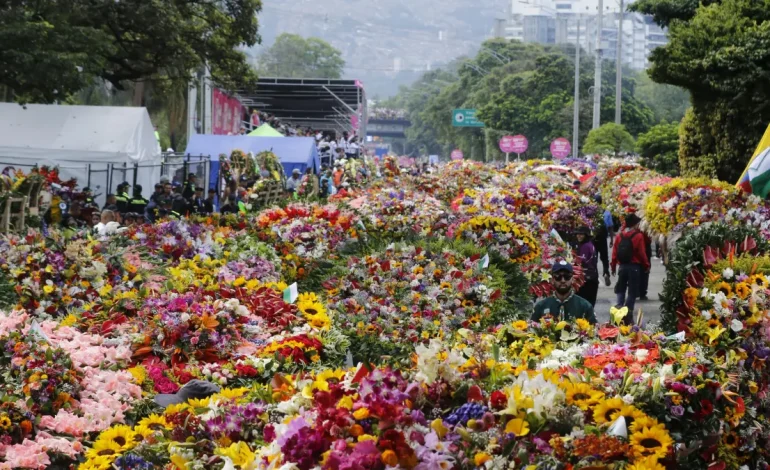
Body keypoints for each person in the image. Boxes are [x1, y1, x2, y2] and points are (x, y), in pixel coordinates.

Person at [611, 213, 650, 323]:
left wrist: (613, 266)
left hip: (622, 267)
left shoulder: (619, 236)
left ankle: (618, 308)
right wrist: (646, 265)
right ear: (635, 224)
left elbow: (614, 252)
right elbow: (642, 253)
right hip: (634, 267)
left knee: (621, 288)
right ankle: (628, 312)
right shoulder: (638, 236)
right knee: (632, 291)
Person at [531, 261, 596, 324]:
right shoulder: (541, 306)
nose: (563, 280)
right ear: (552, 280)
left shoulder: (585, 307)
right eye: (558, 276)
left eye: (567, 276)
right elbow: (531, 330)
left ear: (572, 279)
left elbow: (594, 330)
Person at [575, 226, 599, 307]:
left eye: (581, 234)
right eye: (578, 234)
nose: (579, 236)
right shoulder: (590, 244)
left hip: (587, 281)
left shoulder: (585, 246)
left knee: (584, 305)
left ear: (586, 235)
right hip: (593, 278)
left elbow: (581, 262)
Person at [594, 195, 614, 286]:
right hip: (603, 238)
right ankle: (606, 273)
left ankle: (595, 276)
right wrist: (611, 240)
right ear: (601, 202)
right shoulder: (607, 213)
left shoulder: (591, 213)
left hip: (593, 239)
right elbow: (610, 227)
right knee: (605, 258)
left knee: (594, 258)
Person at [639, 231, 653, 301]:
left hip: (636, 248)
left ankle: (636, 291)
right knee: (645, 270)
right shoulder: (646, 223)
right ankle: (642, 292)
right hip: (645, 247)